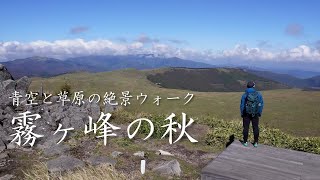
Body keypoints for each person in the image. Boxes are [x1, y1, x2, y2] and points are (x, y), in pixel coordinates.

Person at [240, 81, 264, 148]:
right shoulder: (258, 94)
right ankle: (255, 143)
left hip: (246, 114)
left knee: (246, 127)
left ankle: (245, 142)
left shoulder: (244, 94)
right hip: (255, 113)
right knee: (255, 127)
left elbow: (242, 105)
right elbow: (261, 104)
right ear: (253, 86)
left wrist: (242, 113)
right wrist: (259, 113)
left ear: (247, 86)